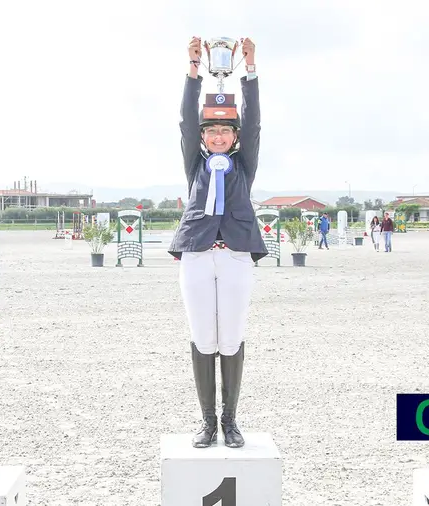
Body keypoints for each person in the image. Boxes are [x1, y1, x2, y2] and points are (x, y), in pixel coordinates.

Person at [168, 36, 267, 449]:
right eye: (213, 131)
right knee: (202, 337)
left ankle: (231, 420)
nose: (219, 137)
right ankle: (206, 421)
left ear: (235, 136)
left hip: (236, 256)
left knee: (231, 337)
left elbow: (256, 122)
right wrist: (193, 71)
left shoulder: (244, 162)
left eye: (226, 130)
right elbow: (186, 123)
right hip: (196, 254)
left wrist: (250, 70)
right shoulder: (196, 162)